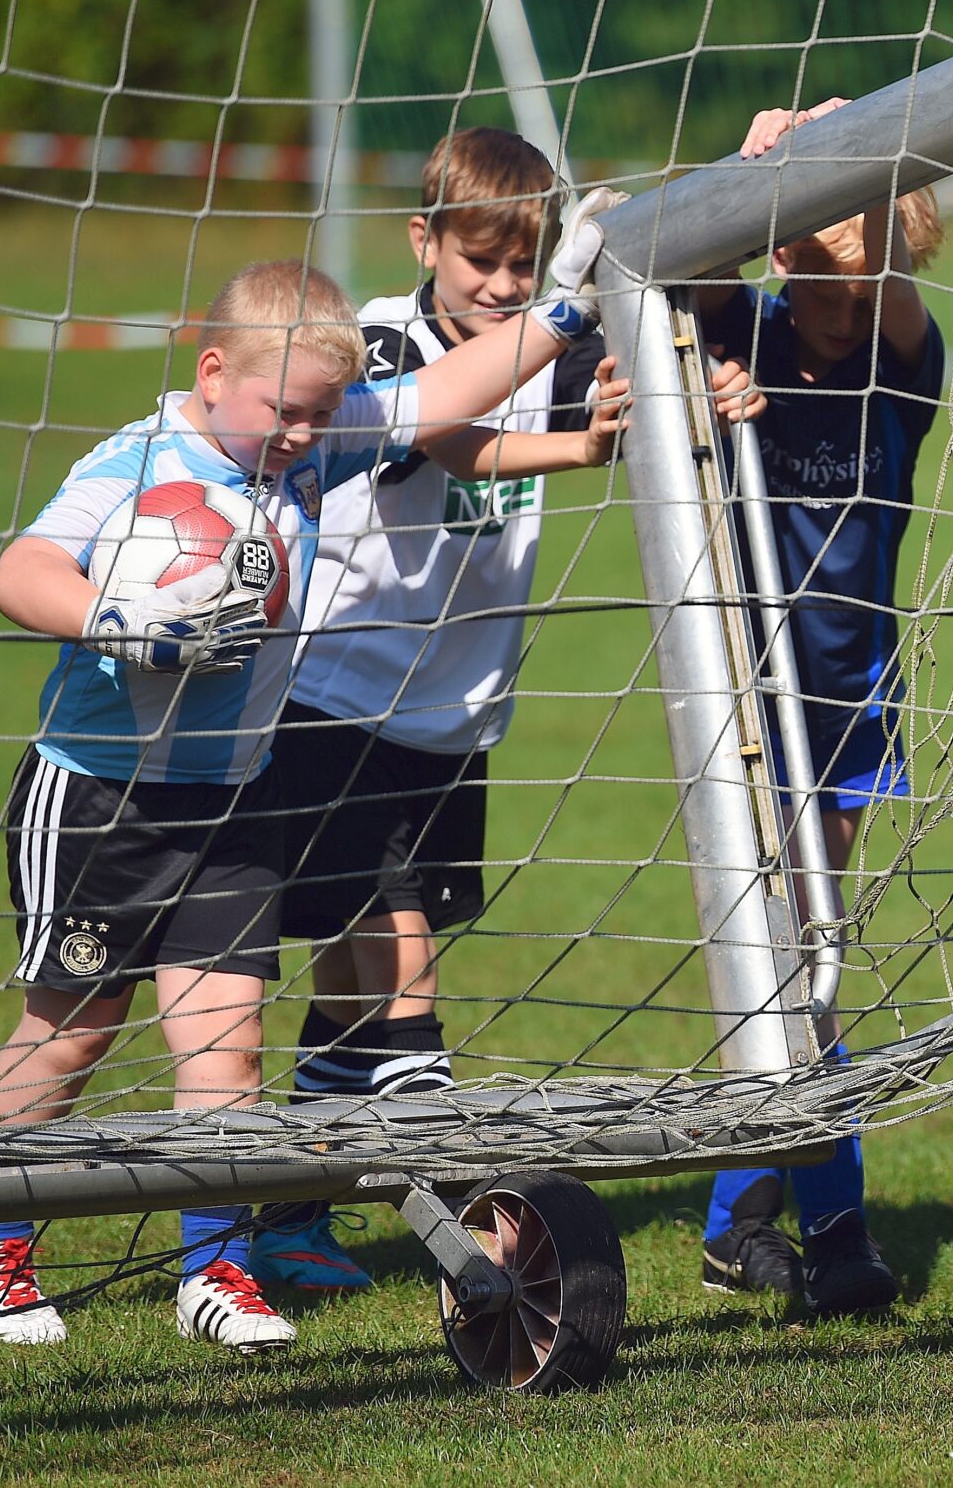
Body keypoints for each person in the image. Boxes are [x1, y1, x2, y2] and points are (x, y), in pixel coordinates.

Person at [0, 227, 617, 1351]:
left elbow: (439, 394)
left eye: (324, 414)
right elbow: (19, 567)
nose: (309, 438)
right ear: (214, 374)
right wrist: (121, 621)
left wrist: (559, 313)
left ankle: (214, 1268)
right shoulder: (135, 463)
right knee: (73, 1030)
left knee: (225, 1047)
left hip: (235, 799)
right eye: (288, 413)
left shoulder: (307, 443)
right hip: (100, 799)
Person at [249, 128, 761, 1296]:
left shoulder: (541, 343)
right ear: (423, 240)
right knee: (403, 978)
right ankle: (477, 1241)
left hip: (450, 725)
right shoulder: (378, 336)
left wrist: (701, 384)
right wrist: (584, 435)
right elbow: (439, 431)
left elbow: (633, 386)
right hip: (336, 711)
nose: (503, 285)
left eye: (527, 263)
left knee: (348, 986)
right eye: (480, 257)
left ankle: (285, 1216)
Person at [686, 99, 948, 1316]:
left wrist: (861, 144)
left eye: (853, 283)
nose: (831, 310)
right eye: (812, 276)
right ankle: (828, 1225)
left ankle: (740, 1219)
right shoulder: (747, 325)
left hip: (852, 703)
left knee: (809, 967)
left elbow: (884, 274)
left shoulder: (905, 352)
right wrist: (757, 166)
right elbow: (682, 255)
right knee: (799, 958)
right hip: (748, 699)